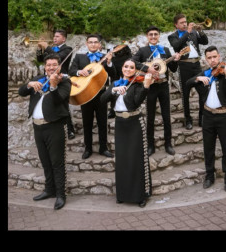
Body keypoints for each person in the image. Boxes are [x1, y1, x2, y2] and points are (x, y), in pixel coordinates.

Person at [18, 54, 71, 210]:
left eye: (54, 65)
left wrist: (53, 86)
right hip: (37, 127)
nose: (51, 67)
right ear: (45, 67)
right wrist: (29, 84)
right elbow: (22, 92)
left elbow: (58, 100)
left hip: (55, 126)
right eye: (48, 65)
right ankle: (49, 190)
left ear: (59, 66)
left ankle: (61, 194)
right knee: (45, 161)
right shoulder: (39, 79)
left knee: (57, 162)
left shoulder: (65, 82)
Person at [100, 59, 153, 207]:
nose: (128, 69)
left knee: (137, 159)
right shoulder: (115, 83)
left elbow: (136, 103)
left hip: (134, 122)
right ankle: (122, 194)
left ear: (135, 70)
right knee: (122, 160)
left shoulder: (137, 84)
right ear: (122, 68)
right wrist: (113, 90)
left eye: (131, 67)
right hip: (120, 124)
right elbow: (102, 100)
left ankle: (141, 195)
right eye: (125, 66)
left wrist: (146, 87)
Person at [186, 45, 226, 192]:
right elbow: (188, 84)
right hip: (207, 116)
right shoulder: (205, 74)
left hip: (224, 116)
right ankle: (209, 176)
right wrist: (197, 78)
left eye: (215, 57)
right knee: (208, 148)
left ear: (219, 56)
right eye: (209, 58)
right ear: (206, 60)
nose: (213, 60)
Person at [132, 26, 181, 156]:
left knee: (166, 116)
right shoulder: (143, 50)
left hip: (164, 85)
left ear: (159, 36)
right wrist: (147, 69)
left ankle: (168, 144)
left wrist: (175, 60)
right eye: (151, 34)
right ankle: (150, 145)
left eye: (155, 34)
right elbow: (132, 62)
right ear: (147, 37)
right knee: (151, 117)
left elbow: (174, 69)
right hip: (151, 86)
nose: (153, 36)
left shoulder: (165, 50)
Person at [69, 34, 116, 159]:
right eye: (91, 42)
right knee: (87, 123)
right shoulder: (79, 57)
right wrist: (79, 72)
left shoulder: (105, 57)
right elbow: (71, 71)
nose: (93, 44)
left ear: (100, 44)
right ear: (87, 44)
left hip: (102, 94)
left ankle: (103, 148)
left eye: (96, 42)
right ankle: (88, 149)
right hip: (86, 94)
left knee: (102, 122)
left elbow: (114, 74)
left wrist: (110, 63)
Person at [168, 14, 209, 130]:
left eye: (185, 22)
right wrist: (188, 32)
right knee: (185, 95)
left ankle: (201, 119)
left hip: (196, 65)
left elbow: (205, 42)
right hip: (184, 65)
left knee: (203, 91)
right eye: (181, 22)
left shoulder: (194, 33)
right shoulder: (172, 36)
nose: (185, 24)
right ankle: (188, 120)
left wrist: (200, 32)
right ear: (176, 25)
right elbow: (176, 46)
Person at [36, 29, 76, 139]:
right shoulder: (52, 49)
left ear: (64, 38)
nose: (54, 38)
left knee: (63, 105)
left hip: (61, 79)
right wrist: (40, 48)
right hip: (48, 78)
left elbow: (58, 58)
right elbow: (40, 59)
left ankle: (69, 130)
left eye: (57, 36)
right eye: (54, 36)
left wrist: (46, 47)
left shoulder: (67, 49)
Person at [108, 44, 132, 119]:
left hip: (121, 72)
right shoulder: (128, 54)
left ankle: (113, 110)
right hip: (117, 72)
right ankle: (113, 110)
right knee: (118, 90)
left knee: (124, 91)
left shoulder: (126, 55)